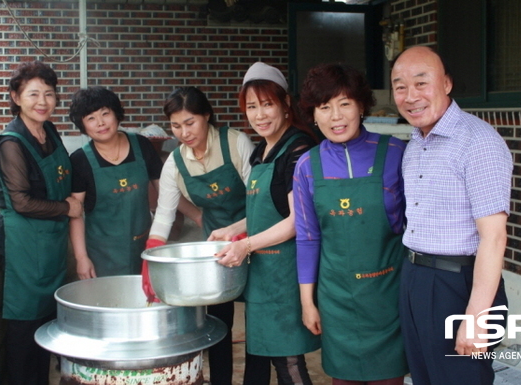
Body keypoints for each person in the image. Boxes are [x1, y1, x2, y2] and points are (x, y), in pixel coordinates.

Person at [391, 46, 513, 385]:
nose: (410, 96)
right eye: (400, 86)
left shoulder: (478, 142)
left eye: (421, 83)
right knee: (424, 377)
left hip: (458, 284)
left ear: (446, 84)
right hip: (415, 277)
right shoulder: (415, 142)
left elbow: (494, 236)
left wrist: (476, 316)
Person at [294, 63, 408, 385]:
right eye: (324, 107)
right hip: (337, 301)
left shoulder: (397, 153)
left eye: (344, 103)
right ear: (313, 115)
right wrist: (307, 302)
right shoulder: (307, 166)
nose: (335, 116)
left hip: (388, 296)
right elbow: (307, 238)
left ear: (361, 106)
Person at [209, 62, 321, 385]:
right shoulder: (261, 150)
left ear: (286, 103)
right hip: (263, 275)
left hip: (285, 277)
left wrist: (245, 244)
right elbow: (267, 208)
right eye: (252, 107)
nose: (259, 115)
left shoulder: (298, 148)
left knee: (288, 361)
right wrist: (233, 230)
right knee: (263, 357)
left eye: (267, 104)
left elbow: (298, 221)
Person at [146, 86, 254, 385]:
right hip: (215, 251)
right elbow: (165, 216)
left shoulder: (235, 143)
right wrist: (150, 256)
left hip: (258, 239)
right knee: (219, 324)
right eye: (176, 125)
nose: (184, 132)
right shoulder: (175, 163)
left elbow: (262, 202)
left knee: (258, 326)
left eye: (190, 122)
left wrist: (240, 231)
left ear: (207, 115)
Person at [0, 60, 83, 385]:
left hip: (51, 247)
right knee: (22, 335)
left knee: (47, 331)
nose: (42, 101)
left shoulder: (49, 130)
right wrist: (67, 208)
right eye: (33, 94)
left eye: (49, 93)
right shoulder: (11, 142)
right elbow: (21, 201)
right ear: (16, 97)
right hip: (23, 252)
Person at [68, 86, 163, 278]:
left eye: (105, 113)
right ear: (83, 125)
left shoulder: (142, 145)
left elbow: (164, 194)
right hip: (101, 255)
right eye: (91, 118)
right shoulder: (80, 160)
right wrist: (81, 258)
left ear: (116, 114)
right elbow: (75, 213)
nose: (101, 123)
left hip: (144, 247)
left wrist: (160, 238)